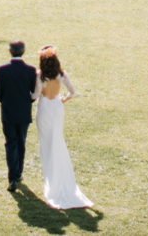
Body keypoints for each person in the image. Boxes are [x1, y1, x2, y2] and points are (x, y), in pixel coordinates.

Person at [34, 45, 92, 210]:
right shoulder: (62, 74)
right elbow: (72, 92)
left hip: (44, 110)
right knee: (57, 142)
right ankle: (60, 181)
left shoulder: (39, 75)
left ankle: (51, 183)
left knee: (46, 145)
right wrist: (62, 100)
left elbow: (36, 95)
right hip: (57, 109)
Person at [0, 39, 38, 192]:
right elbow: (33, 92)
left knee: (10, 143)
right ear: (23, 51)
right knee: (21, 142)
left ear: (10, 51)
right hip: (24, 111)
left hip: (8, 111)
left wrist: (6, 102)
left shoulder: (2, 69)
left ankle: (12, 177)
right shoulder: (30, 70)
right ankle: (18, 173)